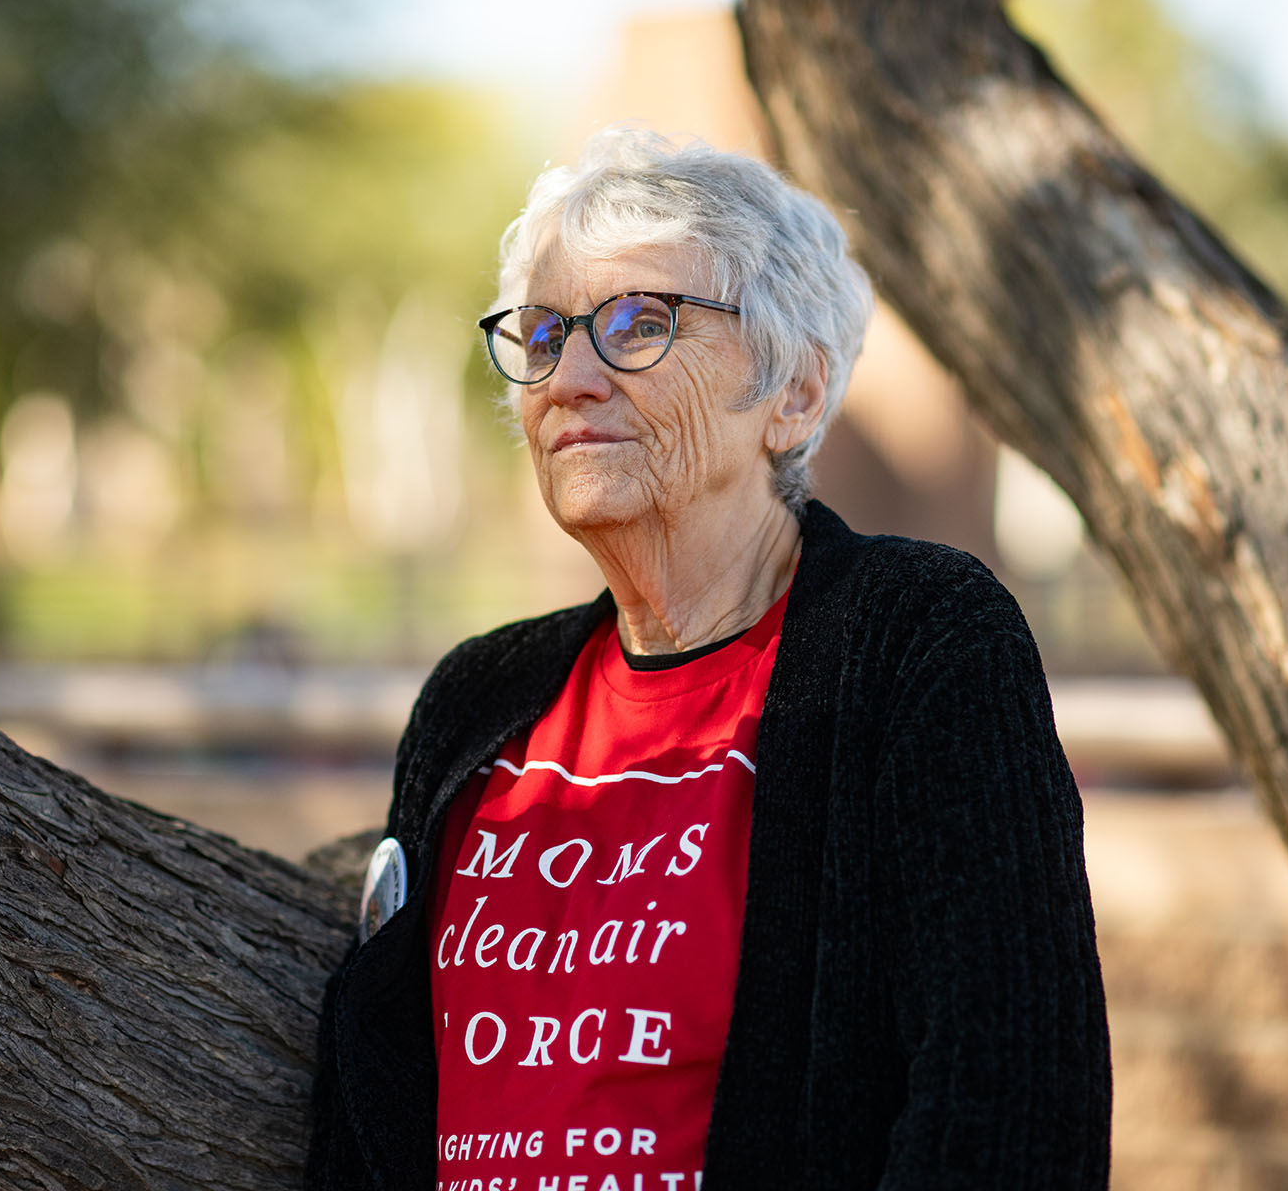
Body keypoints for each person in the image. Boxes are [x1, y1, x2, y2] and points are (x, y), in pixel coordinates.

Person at [306, 128, 1111, 1190]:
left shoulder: (915, 637)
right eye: (544, 334)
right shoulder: (476, 701)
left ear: (796, 395)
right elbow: (372, 1109)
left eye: (639, 325)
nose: (569, 380)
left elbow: (1007, 1097)